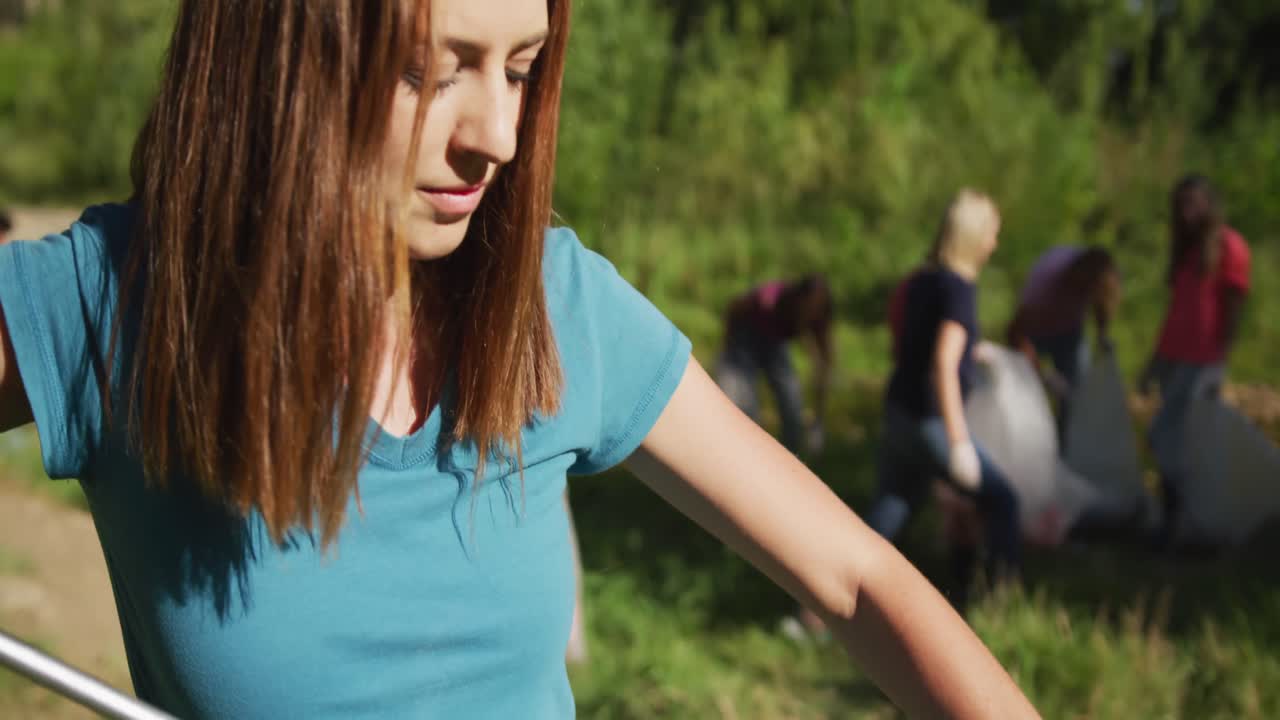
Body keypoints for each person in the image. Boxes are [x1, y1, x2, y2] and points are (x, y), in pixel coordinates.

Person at [0, 1, 1039, 717]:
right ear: (282, 52)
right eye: (426, 70)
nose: (495, 134)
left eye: (520, 68)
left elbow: (855, 578)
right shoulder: (121, 300)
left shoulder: (556, 306)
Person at [868, 190, 1022, 603]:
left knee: (888, 515)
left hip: (899, 411)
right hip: (929, 421)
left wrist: (975, 351)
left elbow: (911, 340)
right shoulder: (959, 289)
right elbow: (942, 363)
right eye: (992, 234)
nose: (994, 243)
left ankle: (821, 612)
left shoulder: (921, 281)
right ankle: (999, 603)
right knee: (1002, 501)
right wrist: (958, 443)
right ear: (974, 238)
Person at [1139, 174, 1251, 549]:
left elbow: (1233, 305)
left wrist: (1220, 358)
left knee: (1174, 439)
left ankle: (1185, 524)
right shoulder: (1188, 252)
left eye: (1193, 203)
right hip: (1176, 357)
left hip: (1204, 360)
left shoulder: (1229, 247)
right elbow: (1177, 314)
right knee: (1172, 441)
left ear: (1208, 204)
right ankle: (1177, 523)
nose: (1186, 212)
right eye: (1181, 204)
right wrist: (1154, 364)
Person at [1006, 246, 1120, 450]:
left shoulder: (1098, 283)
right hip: (1035, 331)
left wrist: (1103, 337)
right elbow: (1016, 333)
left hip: (1069, 333)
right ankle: (1022, 441)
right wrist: (1042, 372)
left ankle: (1065, 447)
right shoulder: (1045, 285)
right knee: (1023, 385)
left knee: (1076, 393)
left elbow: (1101, 305)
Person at [717, 275, 833, 455]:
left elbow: (824, 367)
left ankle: (790, 459)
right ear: (799, 298)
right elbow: (734, 307)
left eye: (817, 308)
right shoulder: (769, 299)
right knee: (745, 406)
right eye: (809, 306)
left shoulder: (819, 317)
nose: (812, 312)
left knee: (792, 402)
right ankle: (743, 454)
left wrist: (819, 420)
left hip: (775, 344)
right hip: (745, 338)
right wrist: (727, 349)